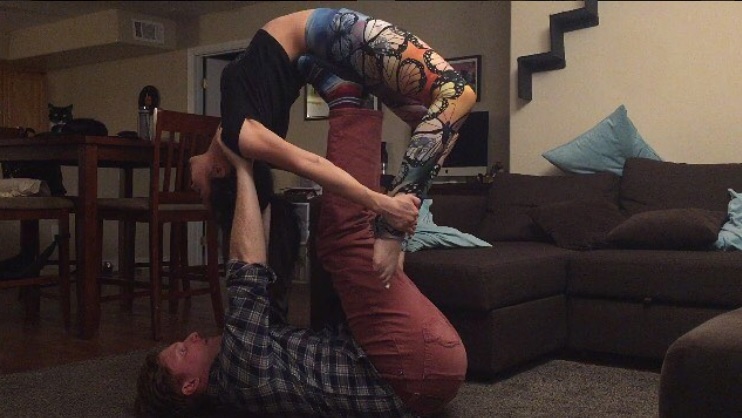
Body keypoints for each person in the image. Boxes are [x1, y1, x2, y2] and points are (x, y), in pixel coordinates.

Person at [135, 104, 467, 417]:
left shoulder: (250, 365)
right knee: (343, 236)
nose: (192, 336)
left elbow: (262, 277)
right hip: (413, 371)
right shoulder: (238, 372)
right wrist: (242, 168)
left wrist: (250, 171)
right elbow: (246, 269)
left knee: (351, 246)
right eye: (183, 350)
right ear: (190, 385)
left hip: (414, 369)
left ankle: (374, 110)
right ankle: (348, 95)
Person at [188, 7, 477, 282]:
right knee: (458, 94)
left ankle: (398, 231)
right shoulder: (241, 135)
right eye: (198, 190)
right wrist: (384, 205)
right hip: (324, 34)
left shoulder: (240, 132)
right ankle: (393, 230)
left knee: (437, 120)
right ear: (217, 171)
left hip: (326, 52)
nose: (191, 185)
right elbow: (311, 164)